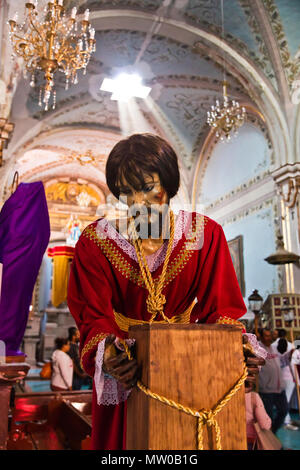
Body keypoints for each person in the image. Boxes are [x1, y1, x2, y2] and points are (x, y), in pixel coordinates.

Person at [67, 133, 264, 450]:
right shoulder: (95, 241)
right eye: (127, 191)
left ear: (169, 185)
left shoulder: (206, 234)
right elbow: (93, 315)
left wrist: (236, 346)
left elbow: (223, 310)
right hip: (128, 372)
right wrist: (110, 352)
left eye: (147, 188)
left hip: (190, 372)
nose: (138, 203)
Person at [258, 329, 289, 434]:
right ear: (261, 337)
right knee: (268, 416)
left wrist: (289, 356)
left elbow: (281, 363)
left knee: (284, 411)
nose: (269, 338)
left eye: (269, 335)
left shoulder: (274, 348)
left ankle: (274, 430)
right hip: (267, 389)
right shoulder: (257, 349)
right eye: (266, 336)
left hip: (280, 388)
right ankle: (269, 437)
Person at [276, 338, 298, 430]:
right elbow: (293, 368)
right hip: (289, 378)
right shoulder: (292, 353)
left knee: (286, 399)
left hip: (283, 377)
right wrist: (296, 379)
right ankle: (286, 420)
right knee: (286, 400)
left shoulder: (284, 353)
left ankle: (286, 419)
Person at [245, 383, 272, 450]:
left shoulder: (226, 395)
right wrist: (269, 421)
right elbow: (264, 424)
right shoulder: (253, 397)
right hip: (249, 439)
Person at [67, 326, 88, 390]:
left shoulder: (76, 345)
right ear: (73, 336)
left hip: (80, 375)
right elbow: (71, 362)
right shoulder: (70, 346)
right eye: (78, 335)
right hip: (75, 376)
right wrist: (79, 374)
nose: (80, 336)